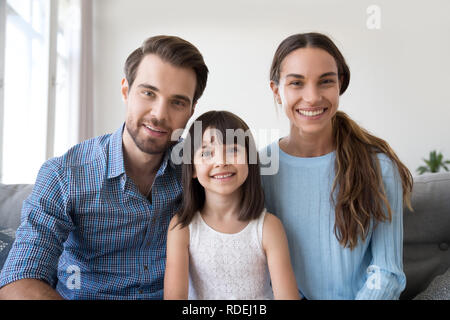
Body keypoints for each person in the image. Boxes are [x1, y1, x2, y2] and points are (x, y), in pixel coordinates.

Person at [0, 35, 208, 299]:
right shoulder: (64, 175)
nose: (159, 113)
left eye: (177, 102)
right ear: (125, 90)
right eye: (148, 93)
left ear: (190, 110)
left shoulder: (199, 168)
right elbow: (18, 282)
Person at [260, 32, 413, 300]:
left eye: (325, 82)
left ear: (339, 84)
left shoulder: (379, 166)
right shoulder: (259, 168)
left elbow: (387, 273)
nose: (312, 97)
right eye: (297, 83)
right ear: (276, 91)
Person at [163, 110, 300, 300]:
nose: (221, 162)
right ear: (192, 168)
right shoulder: (182, 228)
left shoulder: (268, 227)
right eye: (207, 153)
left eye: (233, 150)